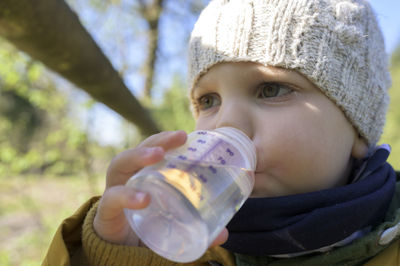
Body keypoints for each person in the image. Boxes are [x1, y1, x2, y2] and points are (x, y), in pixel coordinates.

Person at [43, 0, 400, 265]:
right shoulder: (196, 245)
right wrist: (120, 254)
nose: (225, 124)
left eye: (270, 90)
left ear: (357, 128)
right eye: (208, 100)